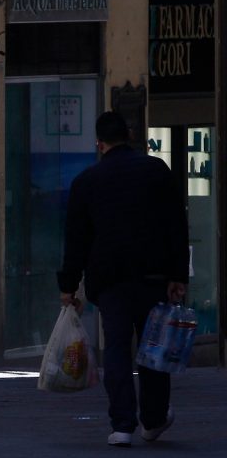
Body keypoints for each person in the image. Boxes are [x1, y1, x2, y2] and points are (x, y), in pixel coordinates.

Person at [57, 111, 189, 447]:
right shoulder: (156, 171)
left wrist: (68, 285)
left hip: (111, 280)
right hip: (153, 276)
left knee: (116, 348)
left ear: (99, 144)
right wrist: (177, 275)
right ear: (129, 137)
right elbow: (176, 225)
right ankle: (154, 419)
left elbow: (76, 240)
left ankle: (122, 425)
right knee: (153, 349)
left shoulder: (87, 182)